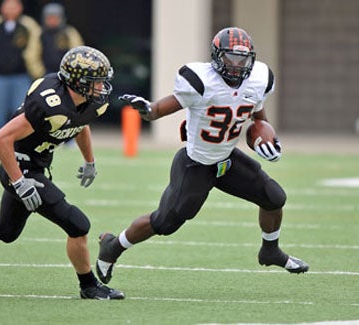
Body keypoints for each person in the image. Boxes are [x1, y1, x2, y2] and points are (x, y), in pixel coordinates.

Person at [95, 27, 309, 285]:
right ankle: (112, 246)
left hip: (227, 159)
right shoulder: (200, 80)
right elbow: (161, 108)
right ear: (217, 57)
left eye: (242, 59)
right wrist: (147, 109)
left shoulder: (260, 78)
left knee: (274, 197)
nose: (237, 65)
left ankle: (270, 250)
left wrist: (266, 140)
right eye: (231, 58)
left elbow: (258, 119)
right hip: (195, 163)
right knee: (165, 223)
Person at [0, 45, 125, 300]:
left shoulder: (89, 102)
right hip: (18, 167)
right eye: (96, 81)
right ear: (78, 82)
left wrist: (89, 160)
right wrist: (19, 181)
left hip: (35, 166)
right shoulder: (49, 103)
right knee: (78, 224)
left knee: (4, 230)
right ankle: (89, 286)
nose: (102, 87)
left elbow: (80, 124)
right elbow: (1, 138)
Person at [0, 0, 45, 138]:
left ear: (20, 8)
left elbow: (36, 46)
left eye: (14, 7)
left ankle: (20, 139)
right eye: (8, 7)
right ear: (2, 8)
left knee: (20, 110)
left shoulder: (28, 25)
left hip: (21, 75)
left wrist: (33, 66)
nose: (11, 10)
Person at [40, 3, 84, 74]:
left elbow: (77, 52)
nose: (52, 20)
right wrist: (39, 72)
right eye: (49, 18)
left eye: (55, 18)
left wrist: (71, 70)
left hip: (66, 72)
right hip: (45, 72)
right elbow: (33, 54)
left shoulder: (69, 33)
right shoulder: (40, 34)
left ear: (61, 18)